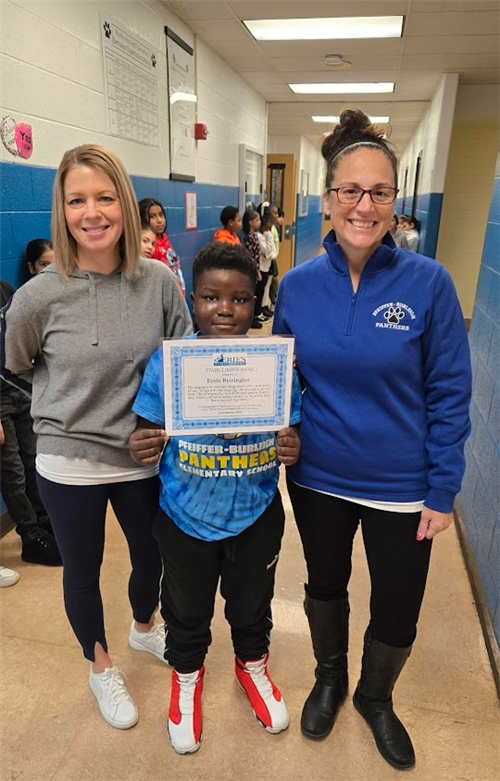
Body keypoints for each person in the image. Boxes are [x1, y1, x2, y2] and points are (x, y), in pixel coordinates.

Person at [272, 108, 471, 771]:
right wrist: (276, 426)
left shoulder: (429, 284)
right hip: (319, 477)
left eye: (379, 191)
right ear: (328, 200)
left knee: (399, 603)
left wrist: (442, 487)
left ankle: (375, 695)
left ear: (395, 202)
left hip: (401, 487)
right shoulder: (297, 287)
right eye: (350, 191)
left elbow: (449, 391)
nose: (364, 204)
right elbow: (278, 381)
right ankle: (329, 679)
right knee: (325, 584)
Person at [0, 144, 193, 730]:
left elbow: (181, 362)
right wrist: (65, 407)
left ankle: (142, 629)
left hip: (142, 455)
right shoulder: (37, 296)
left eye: (105, 197)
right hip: (69, 460)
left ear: (125, 205)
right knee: (81, 571)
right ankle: (100, 665)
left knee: (150, 556)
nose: (93, 212)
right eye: (77, 199)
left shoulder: (158, 281)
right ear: (61, 209)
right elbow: (18, 365)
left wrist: (159, 425)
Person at [129, 242, 302, 754]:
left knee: (252, 605)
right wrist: (142, 444)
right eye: (210, 297)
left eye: (241, 299)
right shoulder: (169, 363)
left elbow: (290, 430)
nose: (225, 310)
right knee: (186, 610)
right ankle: (186, 677)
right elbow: (146, 429)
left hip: (254, 513)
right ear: (192, 299)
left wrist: (292, 443)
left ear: (256, 302)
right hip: (185, 515)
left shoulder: (274, 364)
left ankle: (253, 668)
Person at [0, 279, 61, 566]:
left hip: (19, 386)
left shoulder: (6, 289)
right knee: (12, 472)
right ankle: (30, 536)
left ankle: (45, 522)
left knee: (33, 460)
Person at [138, 197, 186, 295]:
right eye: (152, 216)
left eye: (161, 215)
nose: (159, 220)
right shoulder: (146, 247)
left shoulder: (165, 238)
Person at [242, 209, 263, 329]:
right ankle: (250, 318)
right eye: (257, 220)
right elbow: (250, 256)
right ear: (250, 222)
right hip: (251, 270)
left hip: (256, 268)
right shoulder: (249, 238)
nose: (259, 222)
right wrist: (255, 270)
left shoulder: (255, 235)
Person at [255, 212, 277, 323]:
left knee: (265, 288)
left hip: (267, 265)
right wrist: (268, 237)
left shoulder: (267, 234)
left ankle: (263, 308)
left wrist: (271, 254)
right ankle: (258, 313)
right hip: (261, 266)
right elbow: (267, 252)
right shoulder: (259, 236)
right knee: (259, 291)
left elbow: (273, 252)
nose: (269, 228)